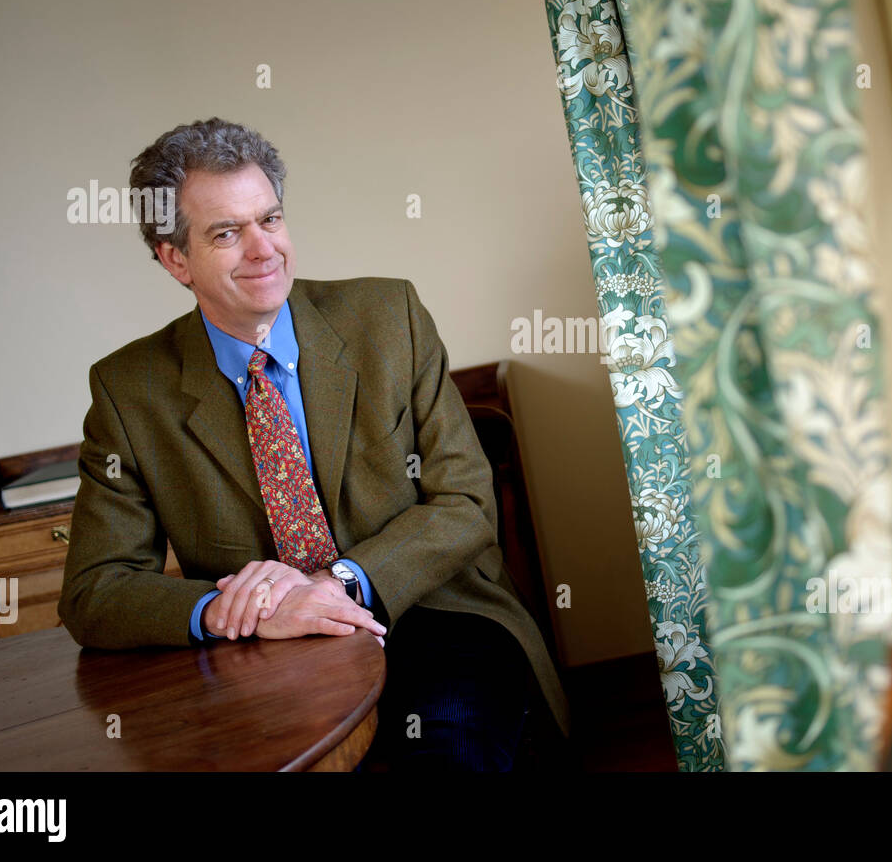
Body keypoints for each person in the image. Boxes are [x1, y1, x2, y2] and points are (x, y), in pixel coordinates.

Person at [58, 117, 569, 770]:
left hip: (432, 618)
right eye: (225, 232)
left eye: (269, 219)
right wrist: (230, 608)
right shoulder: (131, 391)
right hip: (265, 660)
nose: (262, 248)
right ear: (174, 258)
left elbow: (465, 500)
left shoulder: (390, 318)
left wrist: (336, 582)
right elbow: (93, 591)